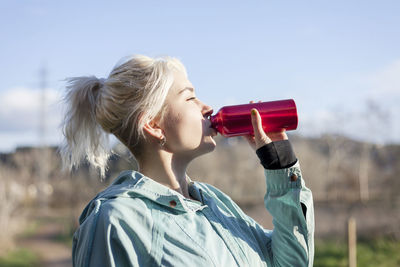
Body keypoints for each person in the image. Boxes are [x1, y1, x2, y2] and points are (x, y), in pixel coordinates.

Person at [61, 55, 314, 267]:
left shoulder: (214, 202)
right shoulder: (114, 220)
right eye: (190, 97)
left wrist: (280, 163)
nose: (207, 107)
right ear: (153, 124)